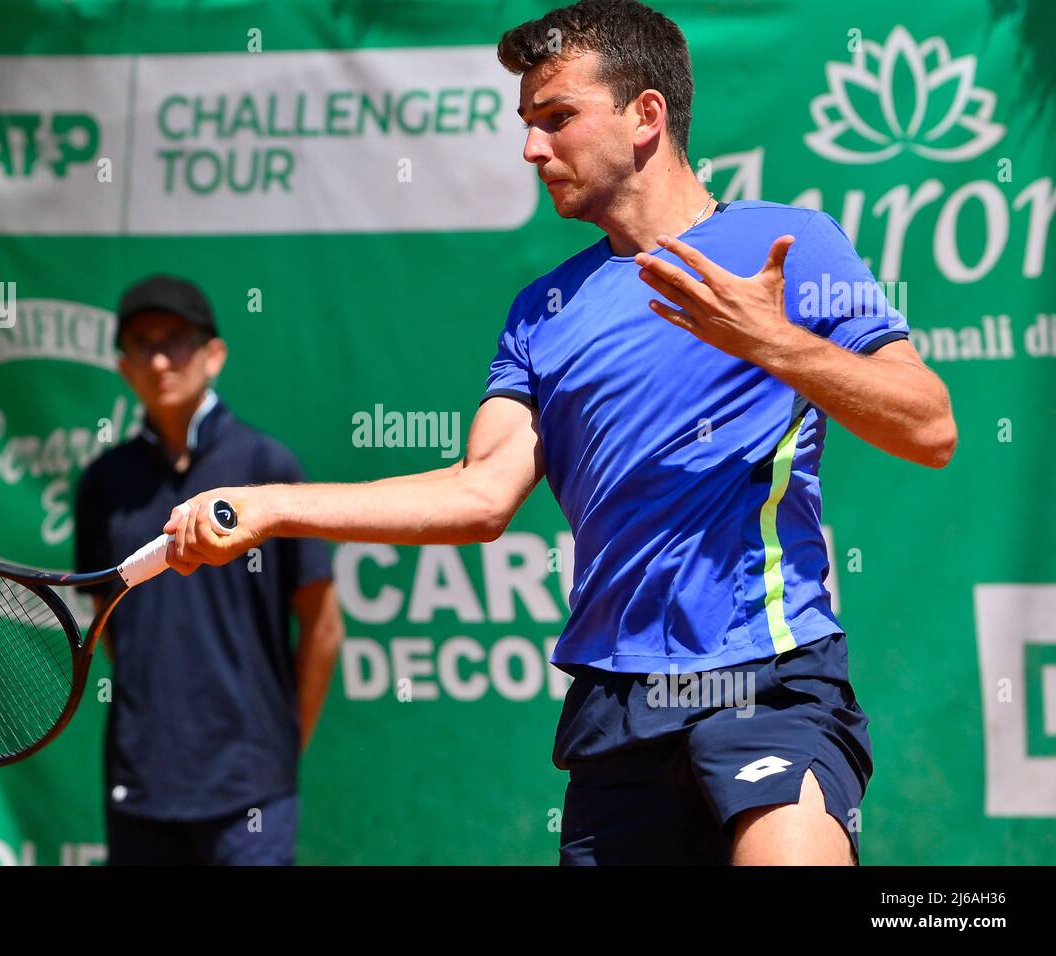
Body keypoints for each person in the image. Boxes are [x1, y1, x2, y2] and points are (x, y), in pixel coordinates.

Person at [159, 0, 956, 865]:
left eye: (557, 119)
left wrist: (775, 344)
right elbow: (479, 494)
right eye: (527, 124)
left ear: (646, 116)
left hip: (767, 677)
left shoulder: (790, 243)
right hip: (616, 709)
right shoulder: (541, 314)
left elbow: (930, 425)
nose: (533, 149)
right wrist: (272, 506)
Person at [74, 275, 344, 866]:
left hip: (252, 785)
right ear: (123, 366)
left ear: (214, 355)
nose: (162, 358)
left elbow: (323, 626)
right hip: (140, 782)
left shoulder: (267, 466)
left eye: (178, 339)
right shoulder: (102, 483)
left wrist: (279, 748)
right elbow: (109, 622)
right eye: (143, 343)